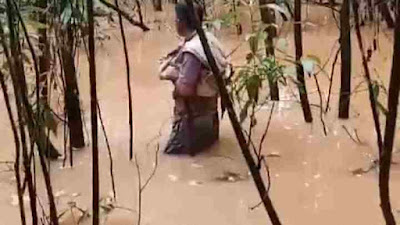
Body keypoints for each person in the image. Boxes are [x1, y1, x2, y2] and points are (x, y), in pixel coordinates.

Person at [159, 2, 229, 155]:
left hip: (191, 123)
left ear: (182, 22)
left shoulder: (192, 51)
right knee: (208, 153)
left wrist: (170, 75)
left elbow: (185, 89)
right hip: (210, 118)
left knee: (174, 158)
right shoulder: (209, 39)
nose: (175, 21)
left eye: (176, 19)